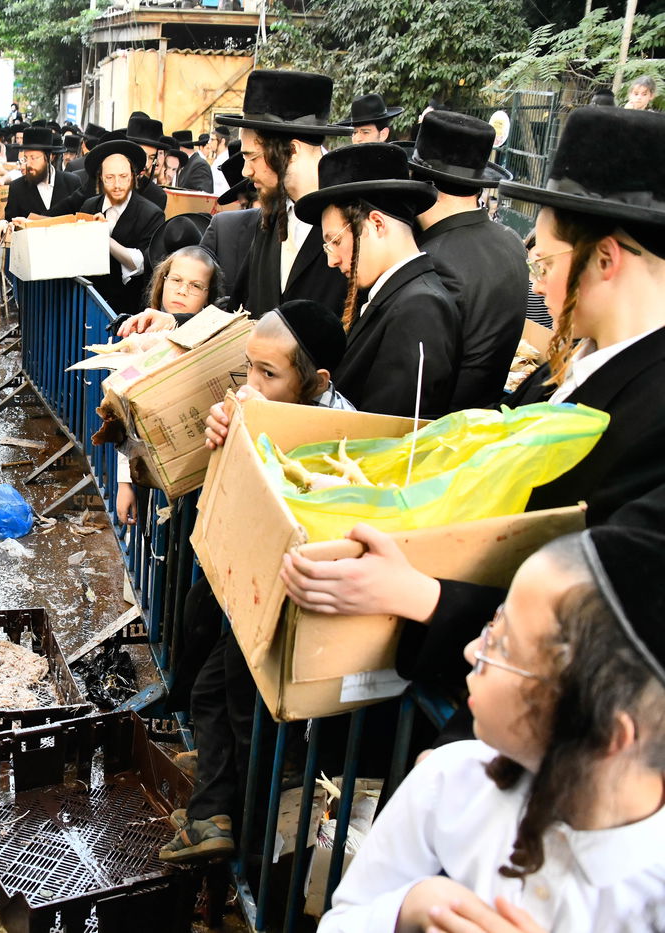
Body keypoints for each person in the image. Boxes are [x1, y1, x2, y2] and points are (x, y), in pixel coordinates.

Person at [278, 106, 665, 705]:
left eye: (543, 263)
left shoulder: (653, 414)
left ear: (606, 260)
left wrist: (422, 596)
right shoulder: (557, 381)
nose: (534, 285)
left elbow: (607, 610)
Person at [320, 527, 665, 932]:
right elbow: (342, 920)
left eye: (503, 647)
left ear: (606, 732)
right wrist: (409, 908)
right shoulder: (452, 777)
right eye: (492, 625)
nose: (471, 651)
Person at [160, 299, 351, 864]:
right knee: (212, 691)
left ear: (316, 381)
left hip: (290, 602)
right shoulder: (260, 409)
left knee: (248, 714)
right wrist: (226, 434)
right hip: (247, 593)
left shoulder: (339, 432)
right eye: (248, 369)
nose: (253, 385)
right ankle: (212, 815)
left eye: (270, 374)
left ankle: (244, 837)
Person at [294, 142, 459, 419]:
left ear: (377, 224)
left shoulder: (421, 308)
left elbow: (390, 433)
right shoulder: (394, 295)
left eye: (335, 241)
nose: (331, 260)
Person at [409, 110, 528, 409]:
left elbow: (422, 378)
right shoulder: (511, 241)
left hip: (440, 432)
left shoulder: (433, 260)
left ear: (420, 181)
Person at [216, 70, 353, 322]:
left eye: (252, 157)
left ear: (292, 150)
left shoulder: (353, 216)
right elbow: (239, 309)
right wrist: (176, 322)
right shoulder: (270, 215)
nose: (246, 171)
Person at [112, 240, 221, 524]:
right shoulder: (141, 339)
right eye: (176, 280)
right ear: (163, 280)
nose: (183, 290)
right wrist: (125, 482)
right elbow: (126, 415)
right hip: (149, 472)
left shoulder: (215, 342)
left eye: (196, 286)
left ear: (209, 296)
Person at [79, 138, 166, 318]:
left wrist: (103, 236)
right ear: (101, 178)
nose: (117, 185)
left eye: (123, 177)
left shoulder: (151, 214)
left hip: (127, 312)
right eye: (110, 178)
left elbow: (141, 263)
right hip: (89, 306)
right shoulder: (89, 206)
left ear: (133, 177)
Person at [0, 127, 85, 241]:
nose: (29, 164)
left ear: (50, 157)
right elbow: (10, 221)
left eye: (34, 158)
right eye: (26, 158)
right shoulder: (17, 188)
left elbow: (83, 222)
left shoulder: (72, 182)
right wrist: (2, 223)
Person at [125, 115, 170, 210]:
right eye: (141, 155)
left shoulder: (157, 196)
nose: (146, 164)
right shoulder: (102, 183)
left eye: (151, 158)